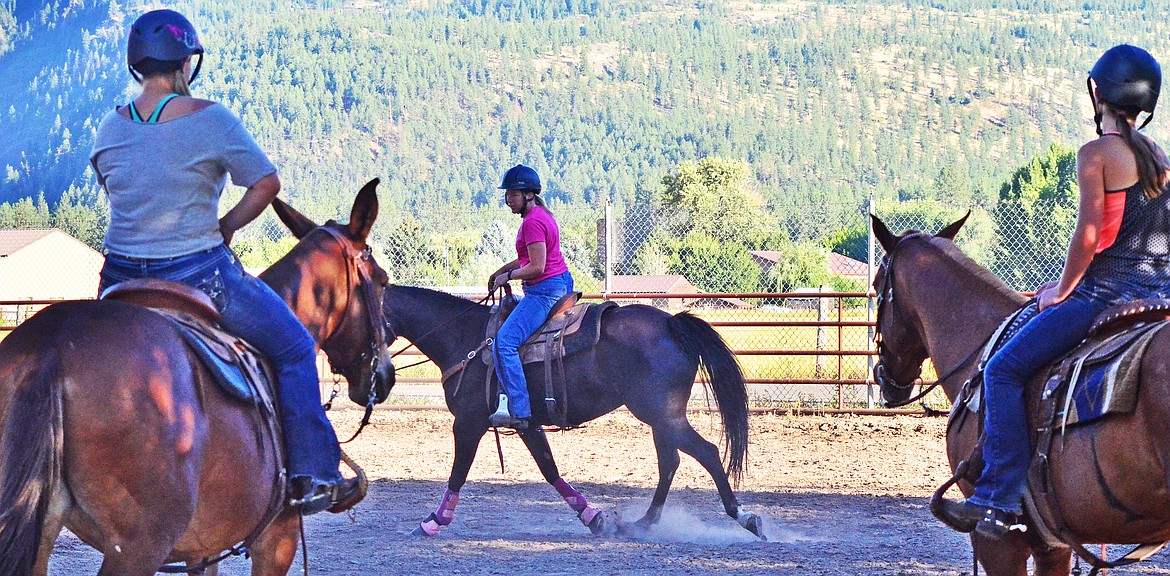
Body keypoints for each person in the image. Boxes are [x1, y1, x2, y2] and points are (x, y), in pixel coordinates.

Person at [89, 9, 358, 515]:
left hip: (119, 280)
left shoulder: (109, 126)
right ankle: (313, 474)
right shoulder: (212, 118)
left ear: (137, 66)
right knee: (296, 349)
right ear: (186, 64)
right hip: (199, 274)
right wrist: (228, 224)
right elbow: (266, 183)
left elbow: (115, 186)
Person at [938, 44, 1170, 538]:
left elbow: (1089, 236)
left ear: (1098, 94)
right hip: (1157, 298)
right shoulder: (1159, 157)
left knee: (1002, 371)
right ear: (1147, 102)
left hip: (1104, 296)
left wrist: (1060, 291)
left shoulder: (1097, 155)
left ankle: (998, 498)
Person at [486, 164, 575, 430]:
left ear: (528, 195)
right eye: (507, 195)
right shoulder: (540, 215)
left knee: (504, 342)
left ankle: (519, 409)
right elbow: (529, 256)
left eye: (512, 195)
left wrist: (508, 276)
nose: (507, 200)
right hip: (558, 283)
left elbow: (536, 266)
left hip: (545, 291)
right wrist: (502, 269)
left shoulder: (533, 222)